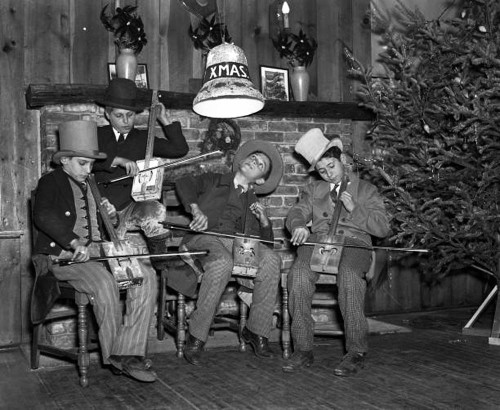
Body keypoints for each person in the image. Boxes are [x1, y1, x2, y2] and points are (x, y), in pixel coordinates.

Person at [33, 120, 157, 383]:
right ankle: (114, 354)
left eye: (91, 164)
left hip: (100, 253)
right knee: (103, 283)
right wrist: (74, 242)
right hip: (65, 258)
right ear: (64, 160)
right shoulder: (50, 182)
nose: (88, 170)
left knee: (145, 277)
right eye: (82, 163)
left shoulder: (91, 184)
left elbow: (99, 227)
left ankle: (128, 352)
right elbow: (43, 215)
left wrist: (109, 216)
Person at [282, 128, 391, 377]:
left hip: (354, 243)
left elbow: (383, 228)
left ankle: (356, 351)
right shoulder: (314, 190)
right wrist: (298, 225)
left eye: (331, 166)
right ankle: (303, 349)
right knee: (297, 276)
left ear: (341, 159)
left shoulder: (366, 189)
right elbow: (297, 212)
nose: (328, 174)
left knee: (350, 277)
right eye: (322, 170)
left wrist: (355, 210)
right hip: (319, 243)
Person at [173, 140, 284, 366]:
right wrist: (195, 209)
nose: (255, 160)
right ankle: (196, 336)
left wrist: (264, 221)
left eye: (261, 164)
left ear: (260, 180)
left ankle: (257, 331)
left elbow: (264, 246)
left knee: (272, 260)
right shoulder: (215, 179)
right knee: (222, 262)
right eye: (254, 157)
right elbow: (183, 182)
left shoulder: (252, 202)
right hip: (205, 237)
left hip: (237, 245)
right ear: (242, 161)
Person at [93, 78, 189, 260]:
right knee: (114, 257)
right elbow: (85, 162)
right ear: (107, 114)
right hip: (104, 206)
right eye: (119, 115)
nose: (126, 121)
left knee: (156, 210)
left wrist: (164, 119)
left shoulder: (143, 138)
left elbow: (180, 149)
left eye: (130, 115)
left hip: (133, 204)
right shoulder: (97, 135)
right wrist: (116, 160)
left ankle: (160, 259)